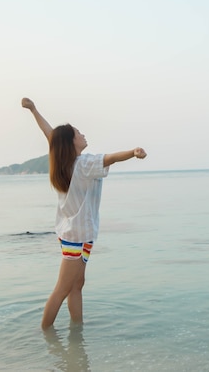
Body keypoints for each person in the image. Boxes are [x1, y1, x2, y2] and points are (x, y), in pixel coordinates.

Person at [21, 97, 147, 330]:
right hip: (76, 236)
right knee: (62, 289)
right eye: (79, 132)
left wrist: (34, 110)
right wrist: (133, 152)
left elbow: (50, 135)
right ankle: (46, 335)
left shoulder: (67, 162)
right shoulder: (83, 164)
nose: (83, 134)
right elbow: (111, 158)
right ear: (72, 142)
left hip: (79, 233)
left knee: (77, 285)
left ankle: (76, 332)